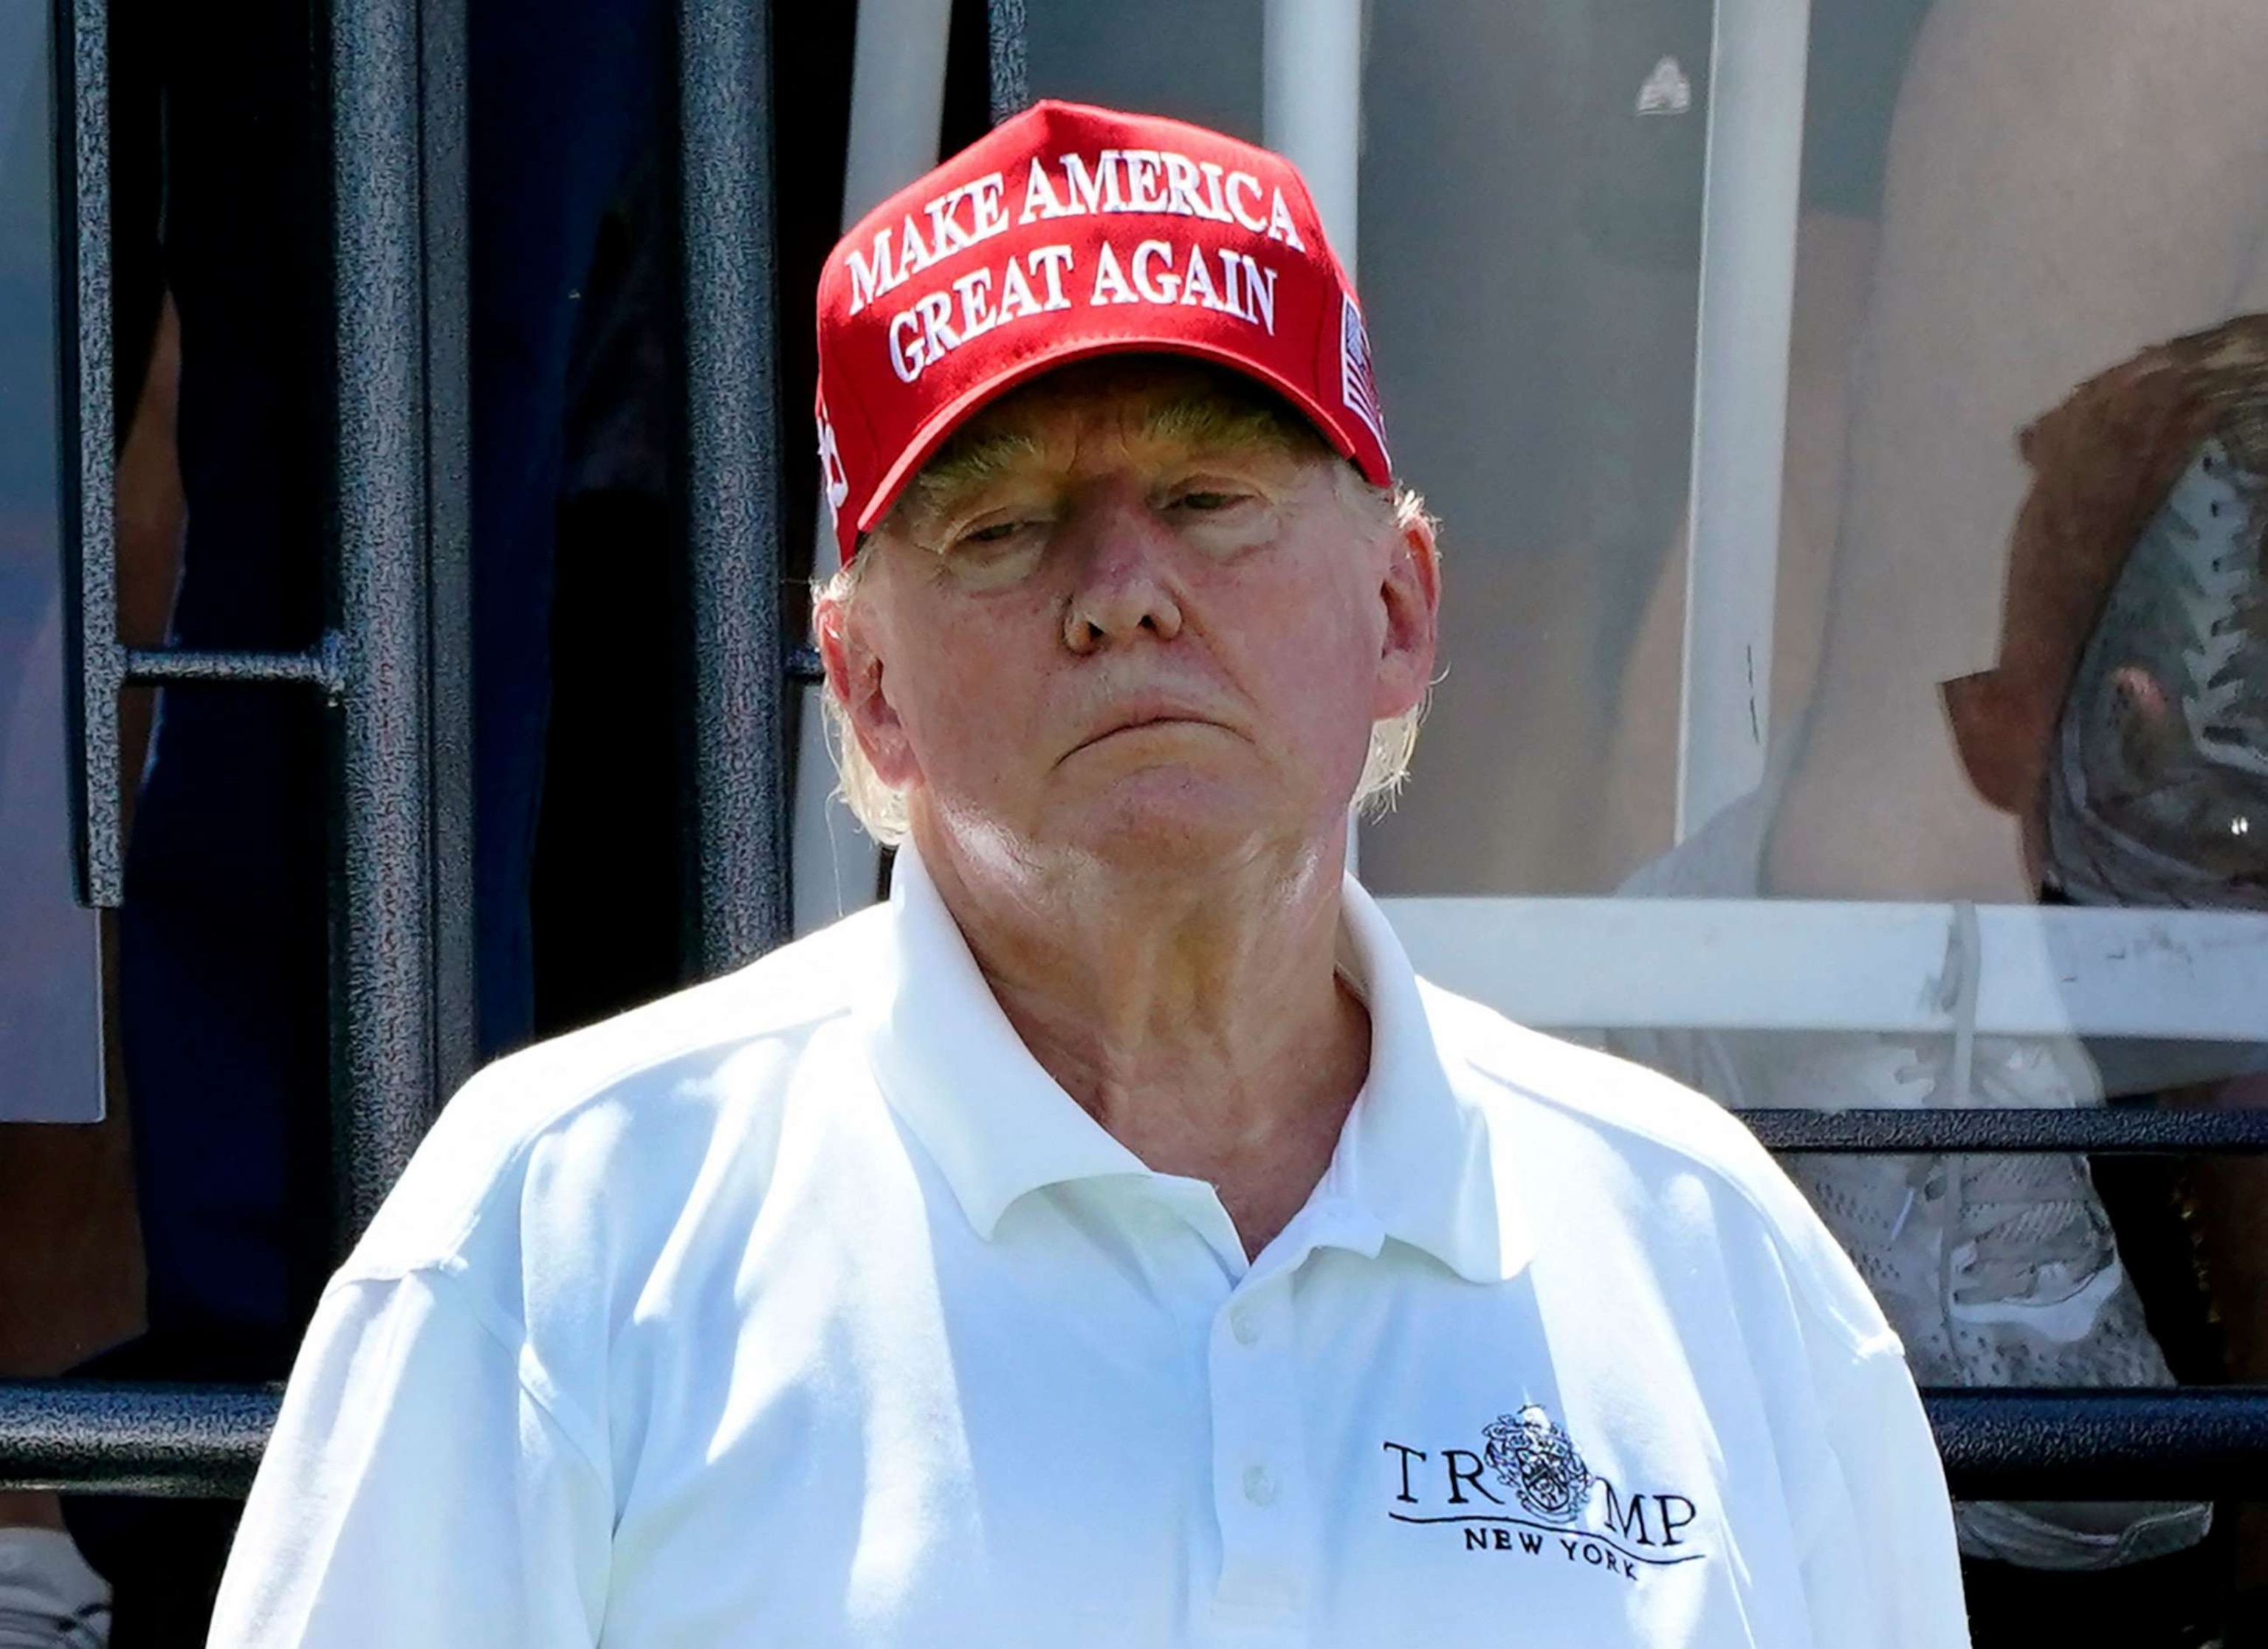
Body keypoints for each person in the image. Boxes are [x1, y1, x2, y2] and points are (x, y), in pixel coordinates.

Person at [205, 102, 1967, 1645]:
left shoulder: (1714, 1261)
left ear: (1399, 612)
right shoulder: (563, 1234)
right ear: (870, 685)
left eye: (1210, 498)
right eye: (1002, 526)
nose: (1123, 587)